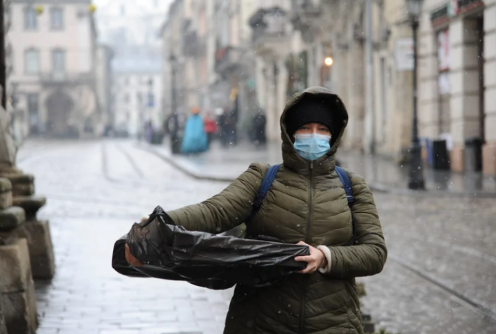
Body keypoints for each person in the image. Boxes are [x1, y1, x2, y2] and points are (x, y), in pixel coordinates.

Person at [126, 86, 387, 334]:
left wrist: (325, 257)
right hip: (260, 321)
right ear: (291, 133)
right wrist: (161, 222)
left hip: (334, 323)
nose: (314, 135)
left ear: (333, 136)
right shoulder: (262, 178)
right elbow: (215, 211)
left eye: (322, 129)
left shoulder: (352, 186)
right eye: (306, 128)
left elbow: (375, 252)